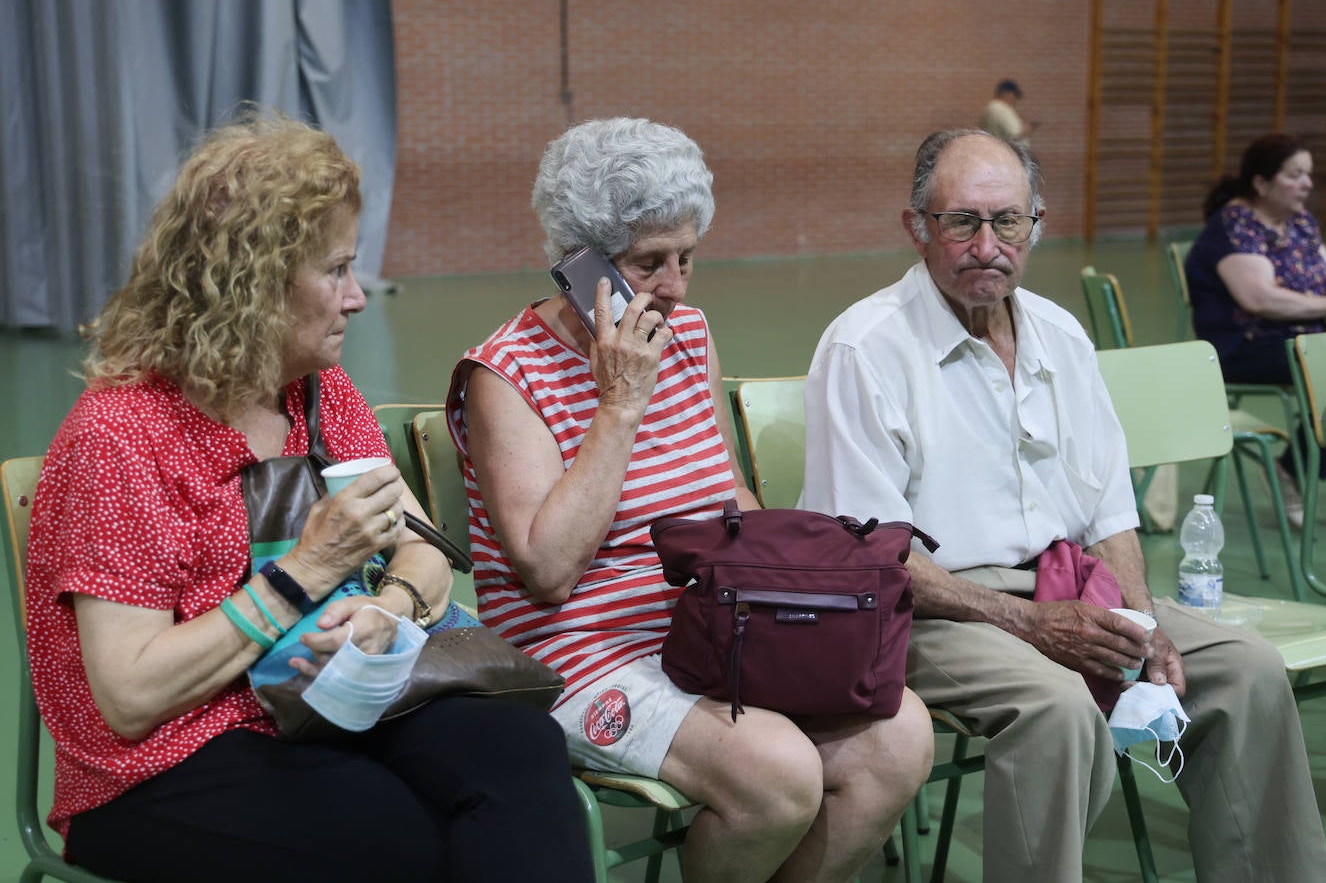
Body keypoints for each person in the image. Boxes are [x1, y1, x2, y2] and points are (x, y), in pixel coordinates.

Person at [25, 113, 592, 883]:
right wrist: (308, 571)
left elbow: (421, 547)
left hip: (318, 702)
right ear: (250, 285)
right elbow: (131, 696)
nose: (357, 298)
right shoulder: (123, 433)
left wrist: (383, 610)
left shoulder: (317, 395)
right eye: (335, 270)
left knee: (519, 753)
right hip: (160, 762)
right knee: (398, 837)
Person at [802, 128, 1326, 883]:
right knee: (1057, 708)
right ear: (917, 228)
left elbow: (1108, 510)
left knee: (1246, 670)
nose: (987, 244)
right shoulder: (867, 347)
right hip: (932, 607)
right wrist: (1028, 621)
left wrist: (1144, 625)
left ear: (1036, 225)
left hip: (1071, 587)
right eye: (963, 221)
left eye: (1007, 221)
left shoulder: (1061, 335)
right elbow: (876, 554)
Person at [450, 117, 933, 883]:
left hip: (710, 626)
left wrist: (798, 591)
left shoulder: (689, 335)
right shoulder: (504, 375)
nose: (675, 286)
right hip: (580, 656)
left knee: (901, 731)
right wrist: (618, 407)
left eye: (687, 257)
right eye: (649, 264)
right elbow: (547, 570)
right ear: (580, 263)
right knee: (779, 774)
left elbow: (725, 494)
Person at [1186, 132, 1326, 527]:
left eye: (1309, 174)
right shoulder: (1235, 225)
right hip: (1245, 346)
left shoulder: (1301, 223)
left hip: (1303, 340)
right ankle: (1304, 473)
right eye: (1295, 174)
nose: (1307, 183)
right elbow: (1260, 300)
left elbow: (1322, 282)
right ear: (1261, 182)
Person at [980, 79, 1035, 146]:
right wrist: (1025, 129)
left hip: (998, 148)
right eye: (1014, 95)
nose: (1015, 99)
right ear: (1006, 93)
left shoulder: (992, 107)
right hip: (1007, 151)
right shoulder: (1000, 108)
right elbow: (1014, 134)